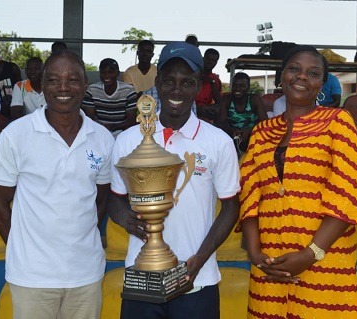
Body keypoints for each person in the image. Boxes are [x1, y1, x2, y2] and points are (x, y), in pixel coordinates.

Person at [237, 45, 357, 319]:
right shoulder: (261, 133)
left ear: (322, 84)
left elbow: (349, 192)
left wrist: (310, 254)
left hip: (325, 258)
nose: (302, 77)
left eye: (313, 72)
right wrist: (256, 252)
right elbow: (249, 195)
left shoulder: (338, 122)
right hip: (271, 264)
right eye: (294, 69)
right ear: (281, 76)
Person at [110, 41, 240, 319]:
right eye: (169, 81)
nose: (177, 90)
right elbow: (115, 199)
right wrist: (125, 219)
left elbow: (231, 207)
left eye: (187, 82)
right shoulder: (129, 140)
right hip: (142, 277)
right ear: (157, 82)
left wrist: (198, 261)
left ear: (198, 85)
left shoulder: (219, 142)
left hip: (198, 278)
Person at [0, 50, 115, 319]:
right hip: (32, 278)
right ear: (42, 86)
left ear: (85, 85)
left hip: (86, 275)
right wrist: (24, 250)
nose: (63, 87)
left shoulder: (102, 138)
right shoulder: (16, 135)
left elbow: (101, 202)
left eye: (73, 79)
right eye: (54, 80)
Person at [82, 58, 137, 137]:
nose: (107, 76)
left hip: (122, 132)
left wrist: (113, 127)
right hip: (98, 131)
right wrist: (102, 128)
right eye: (103, 72)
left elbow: (131, 121)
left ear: (117, 73)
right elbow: (89, 119)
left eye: (111, 72)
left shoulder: (128, 90)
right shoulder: (91, 90)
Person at [217, 72, 267, 154]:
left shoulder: (254, 99)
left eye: (242, 86)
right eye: (235, 85)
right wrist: (232, 131)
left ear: (248, 87)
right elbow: (221, 122)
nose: (237, 88)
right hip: (231, 137)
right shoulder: (226, 99)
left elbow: (264, 122)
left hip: (253, 137)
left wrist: (249, 131)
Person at [195, 48, 222, 123]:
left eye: (213, 61)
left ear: (216, 63)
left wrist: (212, 82)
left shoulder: (215, 80)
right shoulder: (193, 74)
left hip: (205, 113)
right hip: (189, 108)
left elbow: (219, 101)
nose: (210, 62)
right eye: (208, 59)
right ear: (203, 58)